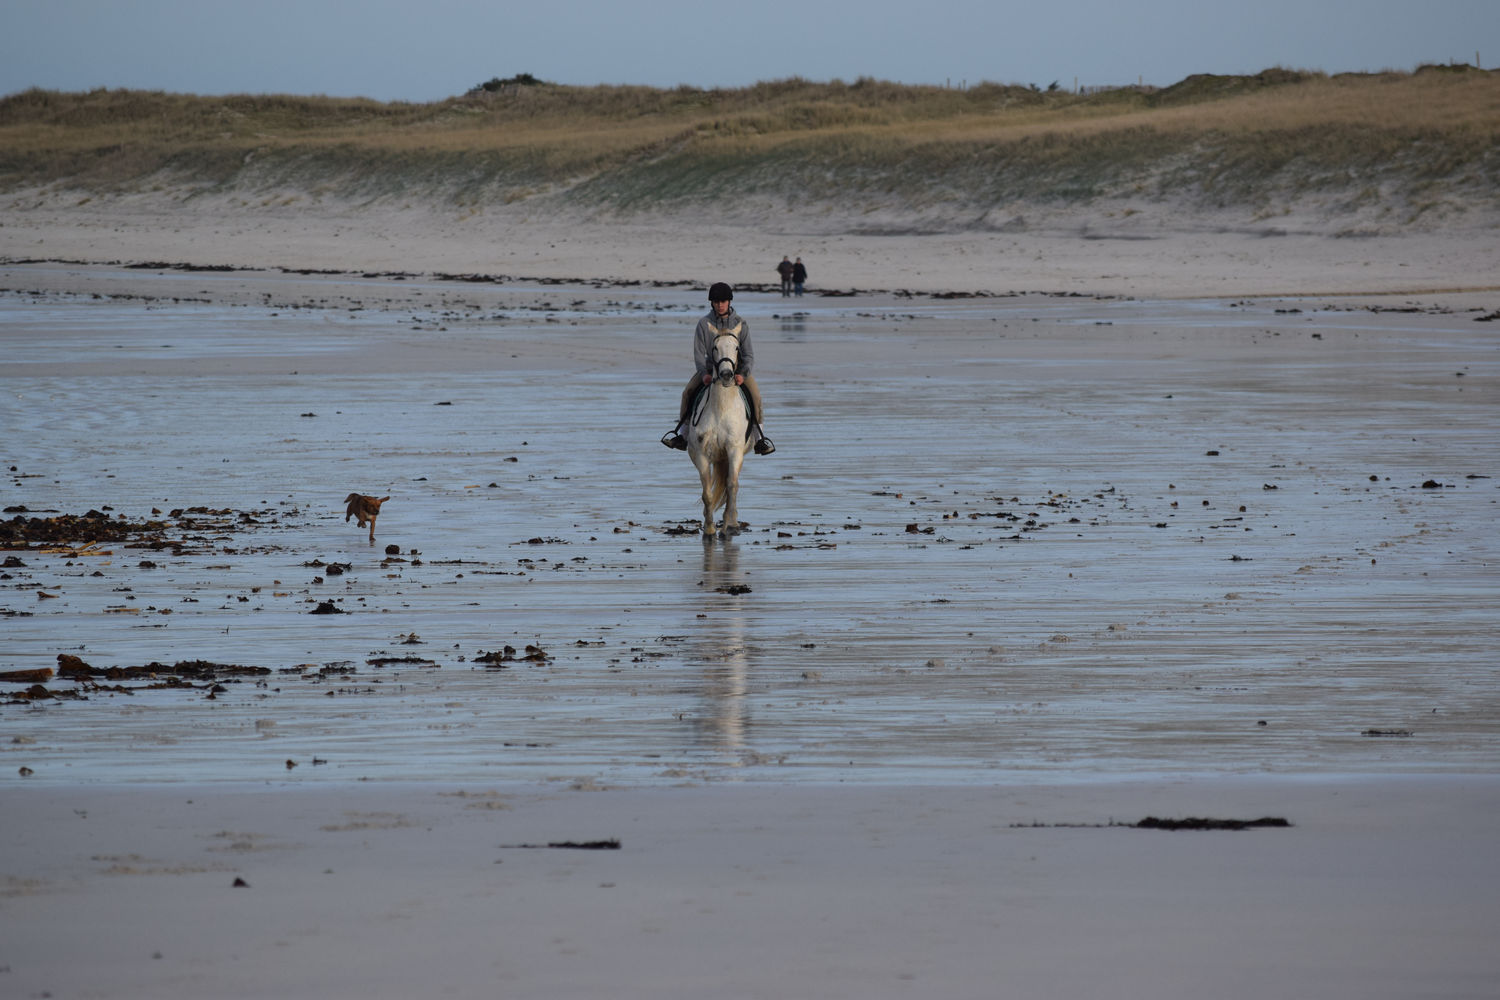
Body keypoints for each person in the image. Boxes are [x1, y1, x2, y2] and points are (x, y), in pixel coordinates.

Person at [661, 282, 776, 455]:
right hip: (710, 371)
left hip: (737, 371)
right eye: (716, 302)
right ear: (712, 303)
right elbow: (699, 354)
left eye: (723, 301)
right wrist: (703, 374)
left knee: (756, 396)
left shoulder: (741, 324)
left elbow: (749, 355)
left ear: (729, 302)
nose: (719, 305)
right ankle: (682, 436)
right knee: (687, 393)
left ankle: (760, 439)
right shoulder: (703, 324)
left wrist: (743, 375)